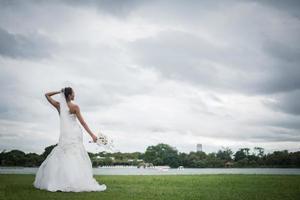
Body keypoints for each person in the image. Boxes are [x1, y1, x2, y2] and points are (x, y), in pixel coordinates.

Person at [33, 87, 107, 192]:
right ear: (69, 95)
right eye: (73, 93)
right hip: (74, 133)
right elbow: (83, 123)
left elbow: (47, 95)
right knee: (75, 155)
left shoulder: (59, 105)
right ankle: (74, 181)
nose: (74, 95)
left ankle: (63, 180)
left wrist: (59, 92)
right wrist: (93, 135)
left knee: (64, 154)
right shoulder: (75, 107)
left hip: (65, 134)